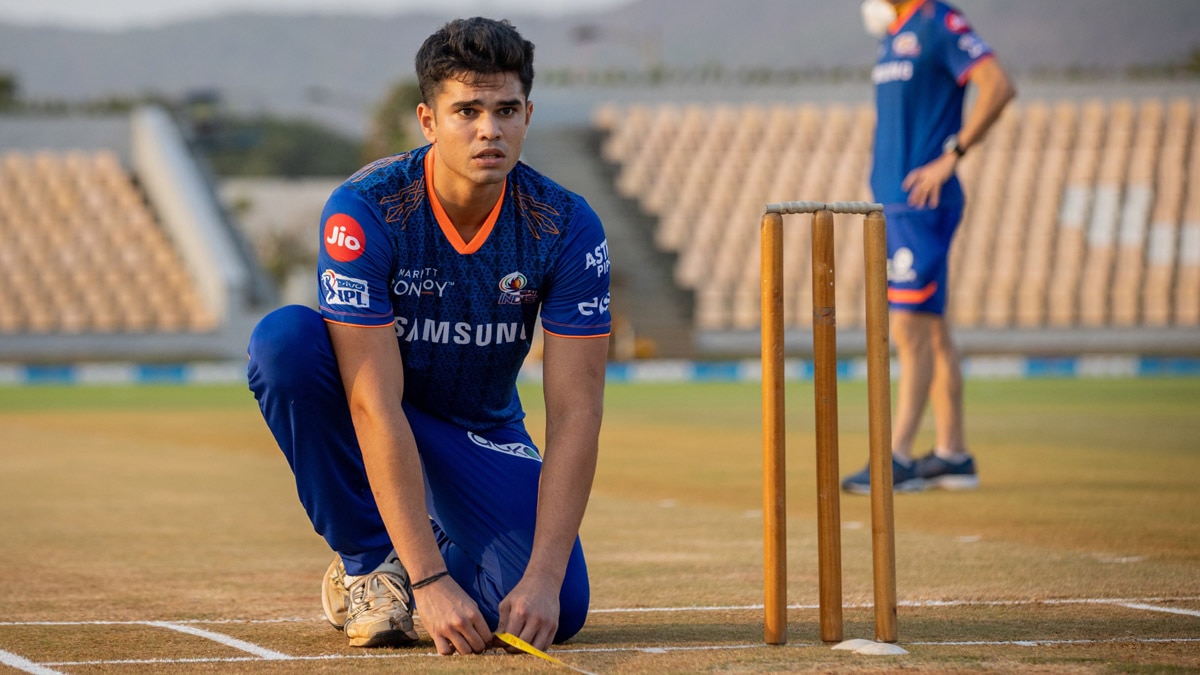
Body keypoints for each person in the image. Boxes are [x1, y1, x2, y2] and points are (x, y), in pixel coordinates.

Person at [246, 17, 611, 656]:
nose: (488, 129)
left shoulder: (565, 224)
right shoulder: (368, 207)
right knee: (286, 343)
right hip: (383, 407)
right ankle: (368, 561)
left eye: (505, 110)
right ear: (427, 119)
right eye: (466, 110)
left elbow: (578, 412)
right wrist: (431, 580)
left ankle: (415, 543)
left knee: (550, 610)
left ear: (528, 114)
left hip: (479, 430)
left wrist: (546, 577)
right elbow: (371, 401)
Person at [842, 0, 1015, 494]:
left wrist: (952, 156)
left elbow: (998, 85)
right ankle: (953, 455)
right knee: (933, 332)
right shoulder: (893, 33)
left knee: (909, 329)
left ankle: (895, 459)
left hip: (922, 204)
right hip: (897, 205)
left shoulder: (939, 21)